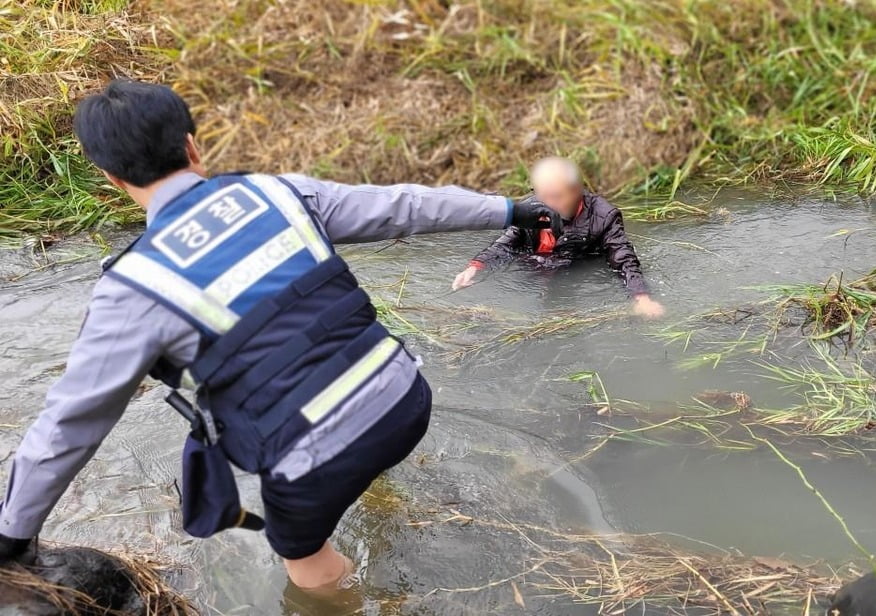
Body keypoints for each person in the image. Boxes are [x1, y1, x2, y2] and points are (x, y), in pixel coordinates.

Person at [0, 80, 562, 591]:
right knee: (351, 439)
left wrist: (13, 535)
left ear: (112, 178)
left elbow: (71, 424)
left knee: (307, 565)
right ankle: (378, 493)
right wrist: (512, 208)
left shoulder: (132, 288)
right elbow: (402, 207)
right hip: (406, 398)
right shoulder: (279, 193)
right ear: (193, 147)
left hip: (316, 459)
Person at [452, 157, 665, 319]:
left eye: (555, 197)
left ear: (576, 191)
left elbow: (623, 257)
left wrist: (642, 298)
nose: (547, 204)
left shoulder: (604, 216)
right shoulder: (531, 208)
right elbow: (506, 243)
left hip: (574, 276)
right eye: (542, 195)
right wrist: (475, 267)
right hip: (530, 273)